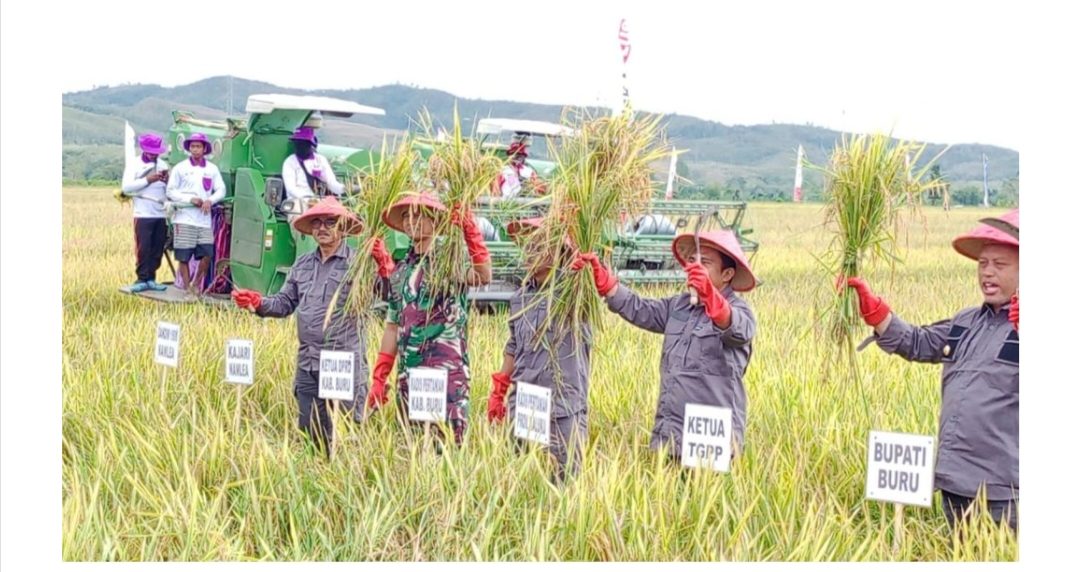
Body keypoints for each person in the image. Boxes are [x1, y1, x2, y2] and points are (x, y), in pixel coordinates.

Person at [844, 209, 1019, 531]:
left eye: (1000, 264)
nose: (987, 273)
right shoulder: (966, 322)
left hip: (1008, 494)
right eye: (983, 264)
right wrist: (878, 314)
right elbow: (919, 343)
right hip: (955, 482)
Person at [230, 197, 396, 456]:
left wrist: (385, 269)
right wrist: (258, 303)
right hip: (308, 362)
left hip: (343, 362)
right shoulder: (303, 264)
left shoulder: (359, 263)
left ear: (342, 228)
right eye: (317, 222)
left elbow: (388, 296)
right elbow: (285, 303)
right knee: (309, 432)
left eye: (330, 222)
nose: (322, 228)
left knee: (346, 435)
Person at [573, 229, 757, 462]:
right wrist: (609, 286)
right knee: (669, 495)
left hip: (711, 432)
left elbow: (735, 327)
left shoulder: (741, 312)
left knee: (704, 496)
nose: (695, 267)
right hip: (672, 428)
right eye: (692, 261)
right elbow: (641, 309)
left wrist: (711, 296)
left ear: (728, 273)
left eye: (705, 263)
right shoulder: (679, 306)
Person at [366, 192, 492, 445]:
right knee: (411, 449)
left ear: (435, 219)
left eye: (418, 214)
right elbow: (393, 325)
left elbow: (482, 276)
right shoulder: (402, 269)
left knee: (445, 449)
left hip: (444, 374)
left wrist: (472, 236)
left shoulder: (449, 260)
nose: (411, 220)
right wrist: (380, 376)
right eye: (406, 216)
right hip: (409, 374)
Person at [487, 217, 591, 483]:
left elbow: (594, 284)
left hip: (561, 406)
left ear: (559, 250)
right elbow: (513, 345)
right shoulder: (520, 296)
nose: (530, 249)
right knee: (522, 480)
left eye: (539, 243)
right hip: (524, 401)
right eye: (527, 244)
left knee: (564, 482)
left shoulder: (576, 293)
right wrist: (499, 388)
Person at [165, 132, 226, 296]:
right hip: (184, 217)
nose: (195, 149)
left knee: (207, 253)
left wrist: (210, 200)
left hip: (203, 219)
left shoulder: (212, 169)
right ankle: (187, 288)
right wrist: (190, 199)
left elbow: (221, 190)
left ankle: (196, 283)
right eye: (192, 146)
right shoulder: (180, 168)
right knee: (183, 256)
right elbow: (170, 191)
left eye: (198, 146)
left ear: (205, 148)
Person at [120, 132, 170, 292]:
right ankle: (141, 278)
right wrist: (149, 179)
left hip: (160, 213)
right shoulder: (134, 165)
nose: (154, 155)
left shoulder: (163, 165)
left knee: (157, 247)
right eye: (151, 152)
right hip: (143, 213)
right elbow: (126, 187)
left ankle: (152, 278)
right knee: (144, 247)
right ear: (144, 150)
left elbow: (169, 190)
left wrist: (167, 180)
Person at [281, 126, 344, 202]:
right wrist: (309, 200)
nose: (300, 146)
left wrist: (344, 189)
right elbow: (290, 188)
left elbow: (331, 183)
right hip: (298, 202)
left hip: (320, 202)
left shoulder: (320, 160)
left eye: (303, 143)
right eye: (297, 143)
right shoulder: (290, 162)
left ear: (310, 144)